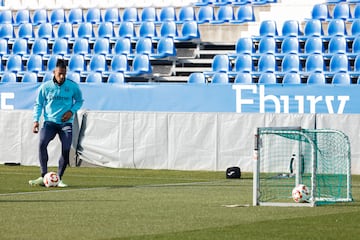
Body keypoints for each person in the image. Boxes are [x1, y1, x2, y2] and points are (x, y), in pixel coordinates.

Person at [29, 59, 84, 187]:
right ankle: (44, 176)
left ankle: (58, 178)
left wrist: (71, 111)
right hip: (50, 123)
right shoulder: (46, 87)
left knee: (66, 149)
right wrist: (36, 120)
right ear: (54, 72)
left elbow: (80, 101)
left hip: (66, 124)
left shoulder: (72, 86)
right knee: (42, 143)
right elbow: (38, 104)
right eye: (59, 73)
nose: (62, 76)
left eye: (64, 74)